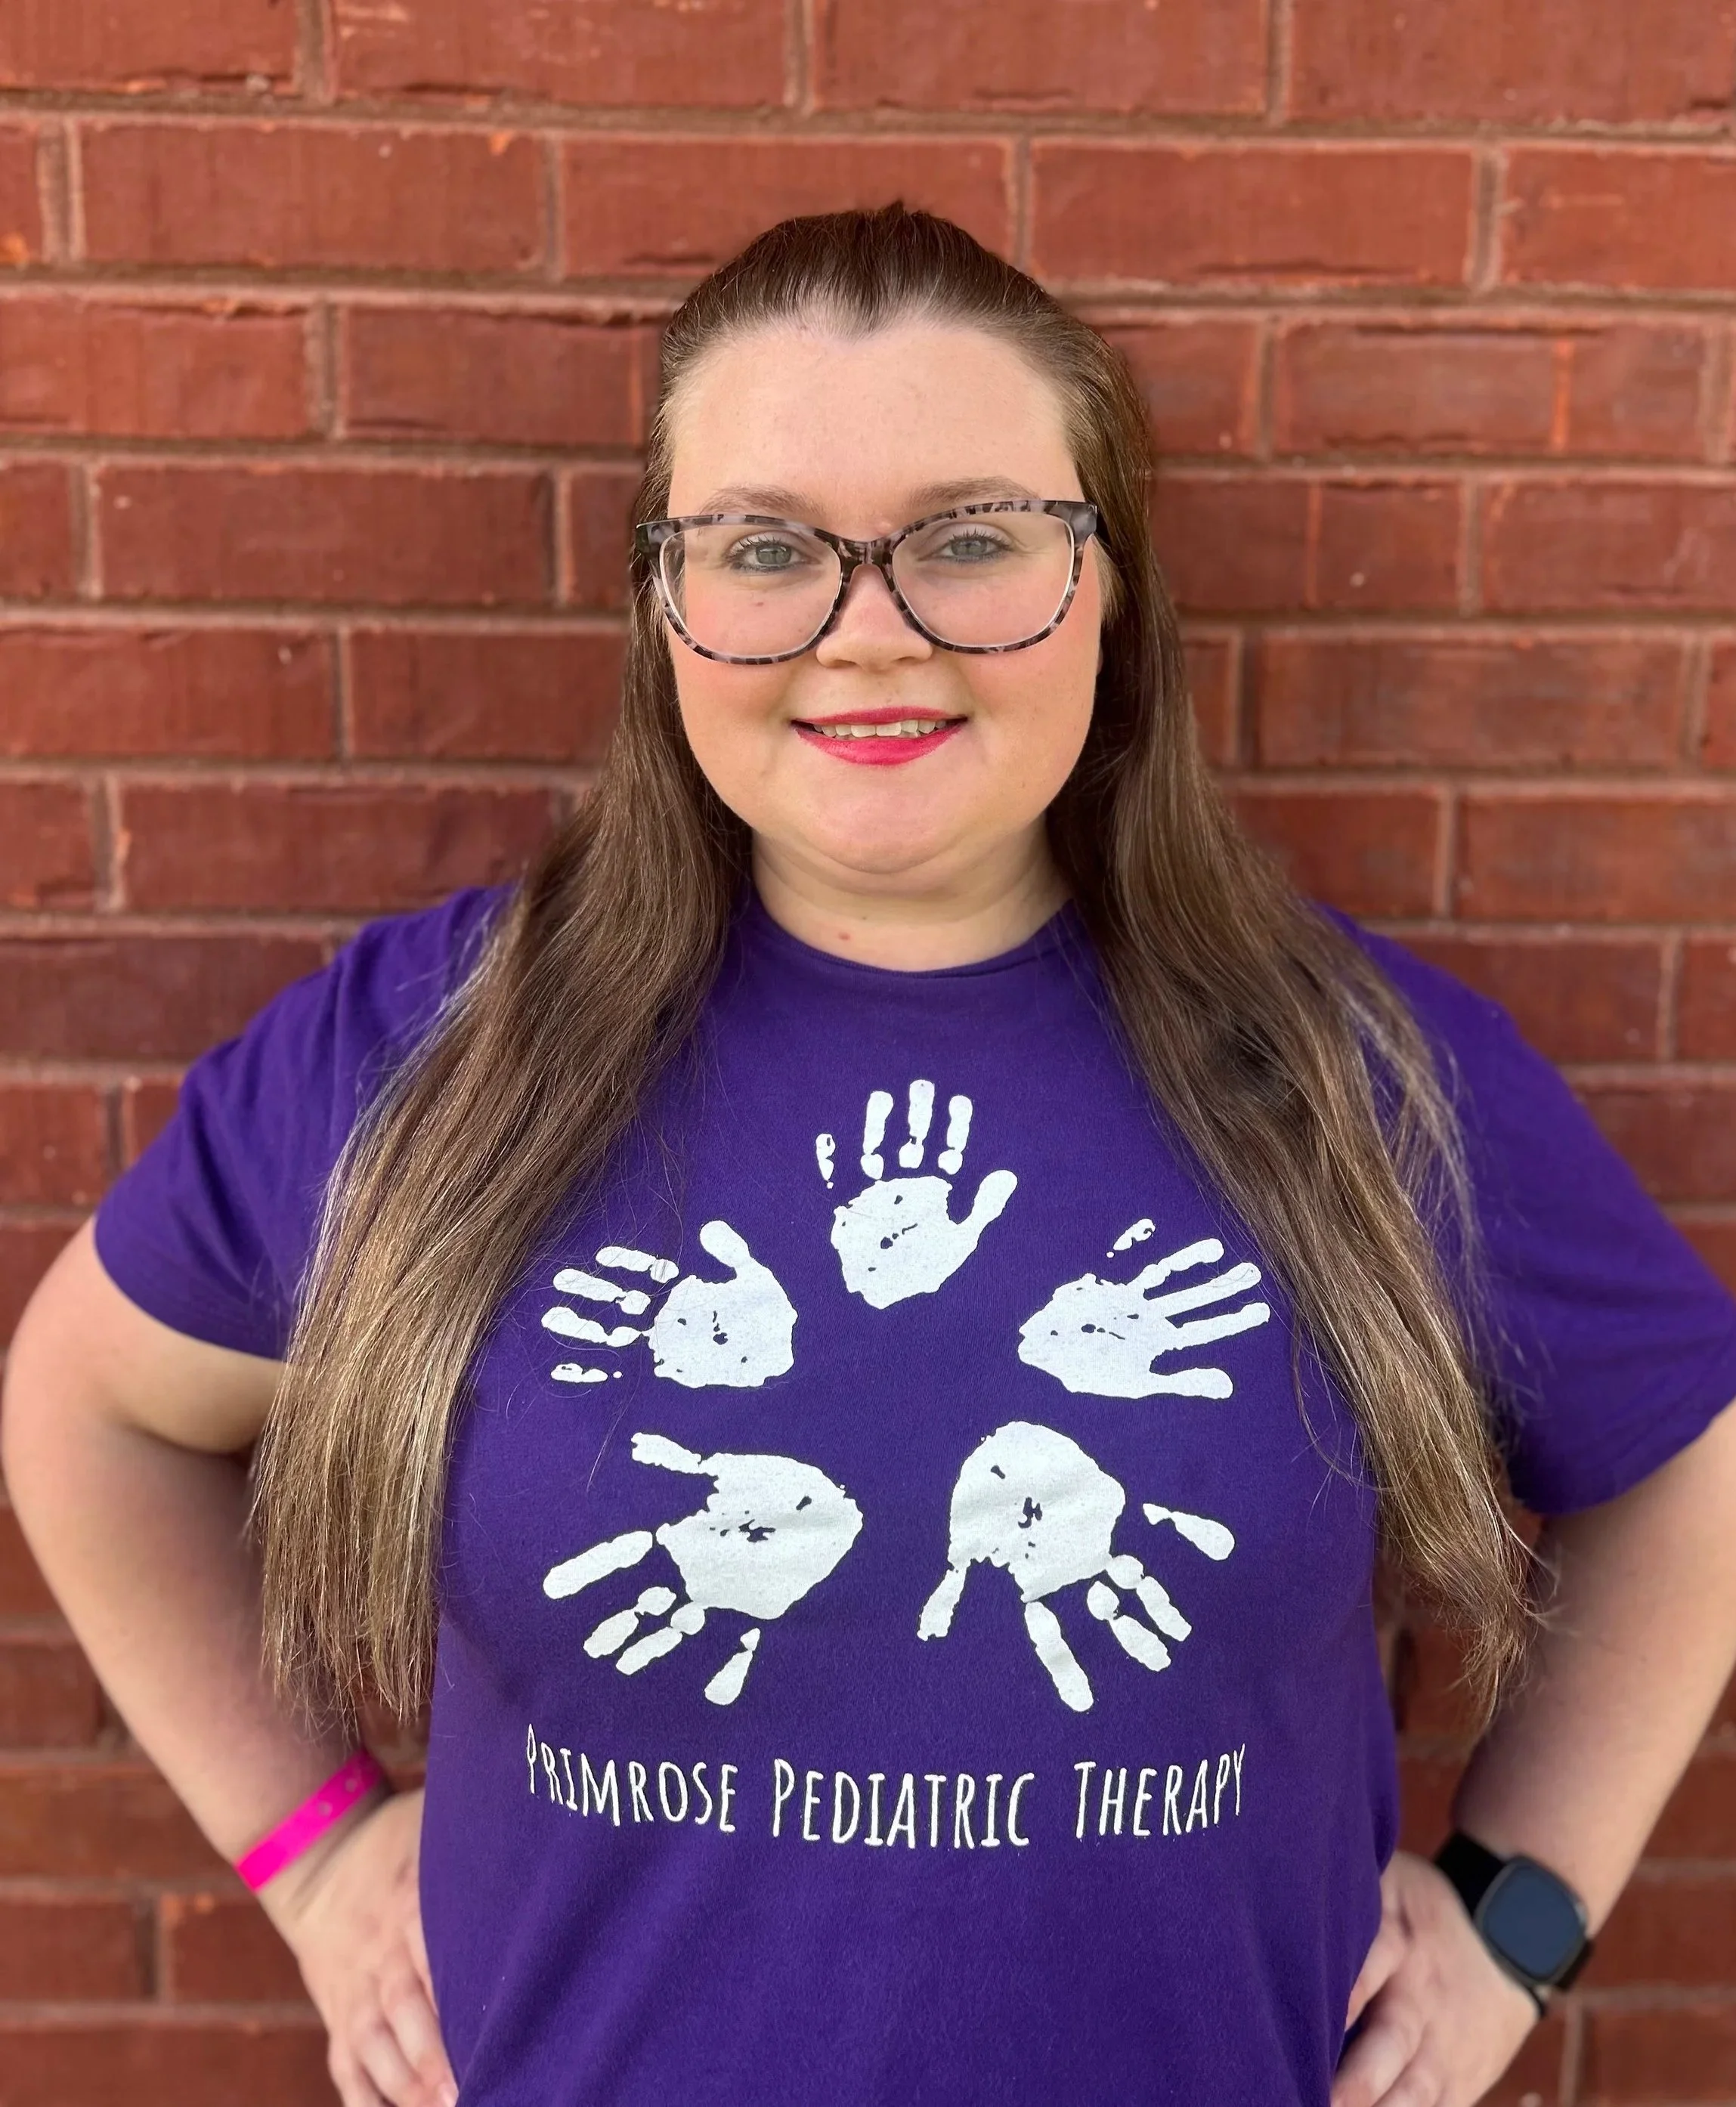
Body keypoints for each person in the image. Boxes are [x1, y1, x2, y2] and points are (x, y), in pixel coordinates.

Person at [6, 205, 1736, 2107]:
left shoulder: (1356, 1076)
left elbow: (1685, 1467)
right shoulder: (432, 1054)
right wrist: (316, 1853)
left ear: (1110, 585)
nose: (867, 630)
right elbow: (88, 1405)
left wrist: (1509, 1914)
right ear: (664, 600)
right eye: (763, 549)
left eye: (972, 537)